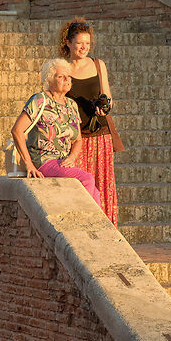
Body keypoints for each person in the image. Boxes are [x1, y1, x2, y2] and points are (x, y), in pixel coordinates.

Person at [11, 59, 104, 208]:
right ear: (49, 80)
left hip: (63, 162)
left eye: (69, 76)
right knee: (86, 179)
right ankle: (85, 219)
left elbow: (78, 140)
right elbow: (17, 130)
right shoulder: (40, 99)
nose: (67, 80)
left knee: (95, 192)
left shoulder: (71, 105)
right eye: (61, 77)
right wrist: (29, 164)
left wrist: (72, 157)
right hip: (44, 160)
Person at [57, 17, 118, 225]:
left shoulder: (98, 65)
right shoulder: (61, 68)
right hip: (75, 138)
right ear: (68, 42)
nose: (84, 47)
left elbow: (108, 97)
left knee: (102, 183)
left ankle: (106, 227)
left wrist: (105, 106)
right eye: (79, 43)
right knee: (78, 184)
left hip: (100, 135)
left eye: (87, 43)